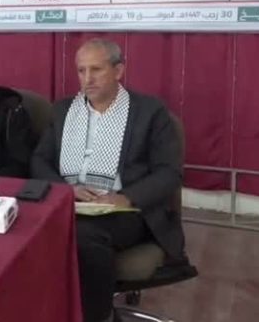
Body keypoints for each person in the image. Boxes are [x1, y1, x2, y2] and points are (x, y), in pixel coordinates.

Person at [30, 38, 184, 322]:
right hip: (70, 203)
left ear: (118, 70)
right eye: (81, 70)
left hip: (126, 210)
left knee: (82, 237)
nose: (87, 79)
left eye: (96, 69)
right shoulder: (63, 110)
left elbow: (168, 173)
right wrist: (67, 190)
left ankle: (99, 317)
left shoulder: (149, 112)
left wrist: (126, 198)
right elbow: (40, 160)